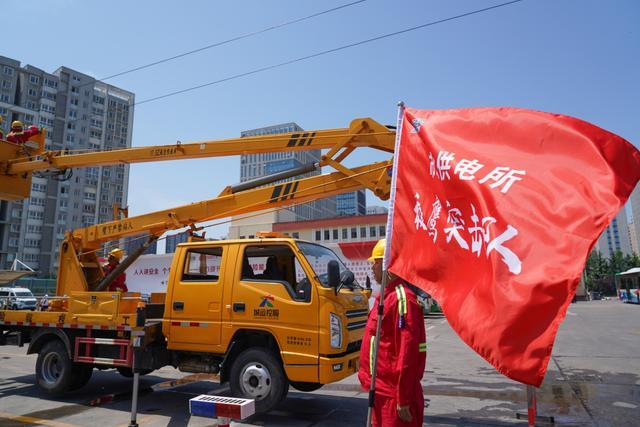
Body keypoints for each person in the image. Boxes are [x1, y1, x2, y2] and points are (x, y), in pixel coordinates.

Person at [358, 239, 427, 427]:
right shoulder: (385, 298)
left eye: (376, 262)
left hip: (394, 397)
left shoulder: (402, 299)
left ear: (387, 264)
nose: (372, 268)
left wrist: (403, 397)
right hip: (381, 391)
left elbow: (408, 353)